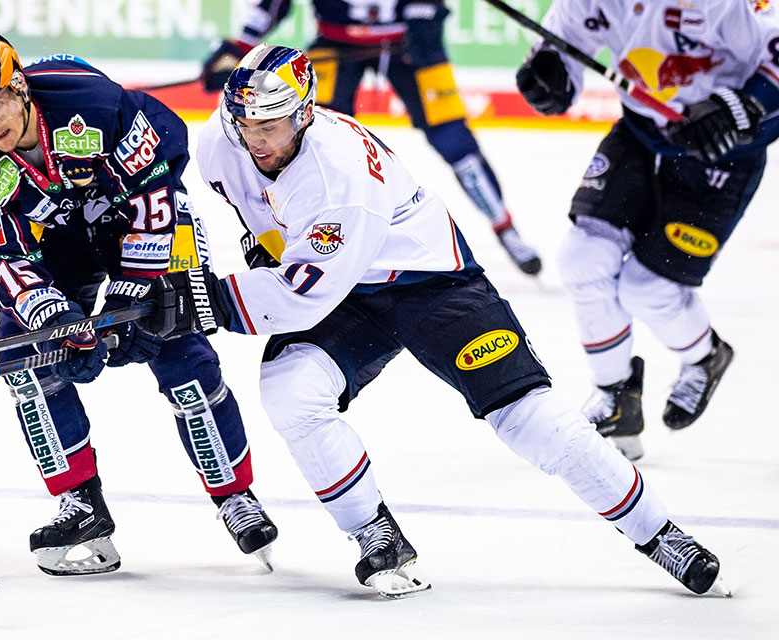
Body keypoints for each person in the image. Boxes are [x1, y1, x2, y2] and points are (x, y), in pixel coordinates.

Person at [139, 43, 729, 599]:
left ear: (305, 115)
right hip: (341, 288)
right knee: (290, 394)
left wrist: (199, 299)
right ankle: (377, 536)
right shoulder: (226, 140)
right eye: (244, 123)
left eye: (270, 126)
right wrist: (191, 267)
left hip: (429, 284)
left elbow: (303, 297)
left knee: (531, 420)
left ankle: (660, 534)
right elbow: (208, 205)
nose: (255, 139)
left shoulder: (340, 178)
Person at [0, 28, 278, 576]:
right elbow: (2, 262)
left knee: (175, 343)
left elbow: (158, 178)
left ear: (19, 86)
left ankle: (235, 496)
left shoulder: (85, 100)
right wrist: (58, 318)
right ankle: (81, 505)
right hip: (62, 246)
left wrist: (133, 288)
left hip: (147, 220)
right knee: (26, 358)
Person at [515, 0, 779, 461]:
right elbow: (565, 44)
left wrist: (743, 104)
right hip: (641, 134)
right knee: (581, 260)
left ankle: (705, 356)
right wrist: (551, 77)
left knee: (648, 289)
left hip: (723, 152)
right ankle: (615, 395)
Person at [201, 0, 543, 275]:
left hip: (411, 44)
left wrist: (427, 11)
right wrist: (240, 47)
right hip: (336, 42)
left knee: (453, 139)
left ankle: (504, 227)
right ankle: (295, 231)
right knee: (305, 139)